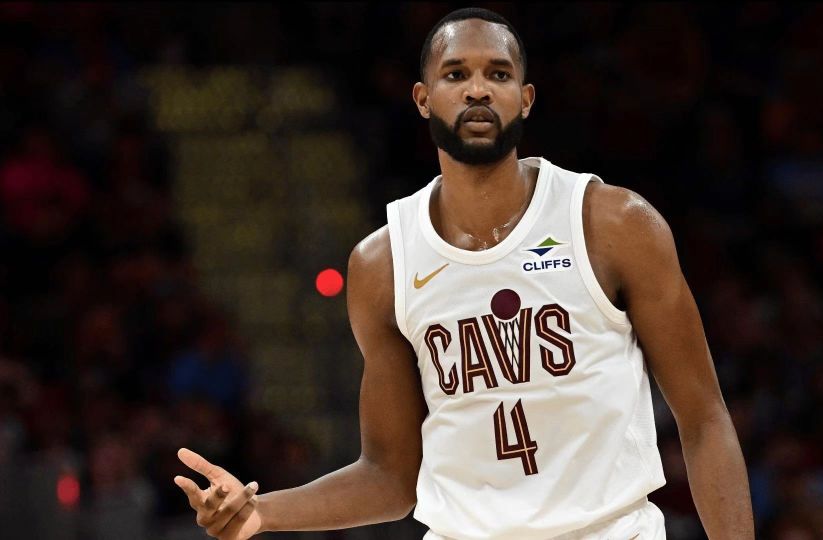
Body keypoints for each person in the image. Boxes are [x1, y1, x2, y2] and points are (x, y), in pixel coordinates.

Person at [174, 8, 754, 539]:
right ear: (423, 98)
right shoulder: (383, 264)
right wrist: (262, 513)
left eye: (498, 74)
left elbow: (704, 418)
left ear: (525, 98)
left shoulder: (613, 223)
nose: (478, 88)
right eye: (456, 74)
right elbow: (389, 477)